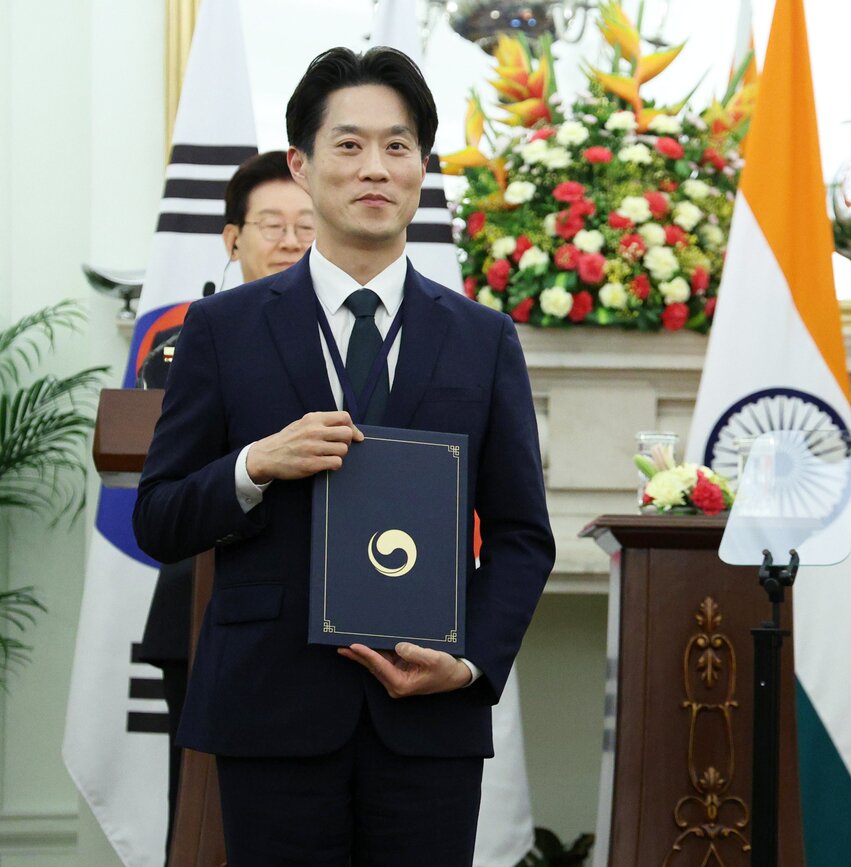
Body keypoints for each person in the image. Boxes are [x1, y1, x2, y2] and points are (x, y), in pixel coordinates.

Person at [132, 47, 553, 864]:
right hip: (272, 709)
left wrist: (467, 666)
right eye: (349, 144)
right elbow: (158, 515)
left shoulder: (482, 337)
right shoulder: (222, 329)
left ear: (422, 168)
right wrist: (254, 464)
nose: (375, 168)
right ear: (303, 162)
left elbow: (521, 534)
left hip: (429, 715)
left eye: (398, 147)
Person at [134, 150, 313, 863]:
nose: (290, 240)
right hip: (201, 606)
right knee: (200, 813)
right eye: (272, 224)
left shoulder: (342, 337)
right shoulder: (183, 341)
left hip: (316, 613)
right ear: (232, 238)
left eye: (305, 224)